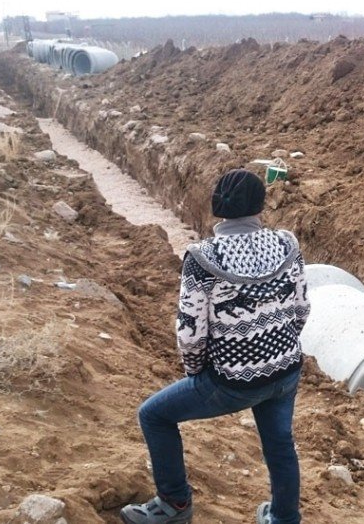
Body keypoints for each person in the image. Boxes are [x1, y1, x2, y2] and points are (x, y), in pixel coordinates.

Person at [121, 169, 310, 524]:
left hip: (233, 382)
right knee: (280, 444)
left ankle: (174, 504)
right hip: (287, 369)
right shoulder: (287, 244)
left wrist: (197, 374)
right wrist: (276, 346)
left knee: (153, 416)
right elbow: (301, 308)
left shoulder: (203, 257)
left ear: (217, 207)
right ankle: (284, 518)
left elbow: (191, 332)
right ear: (260, 205)